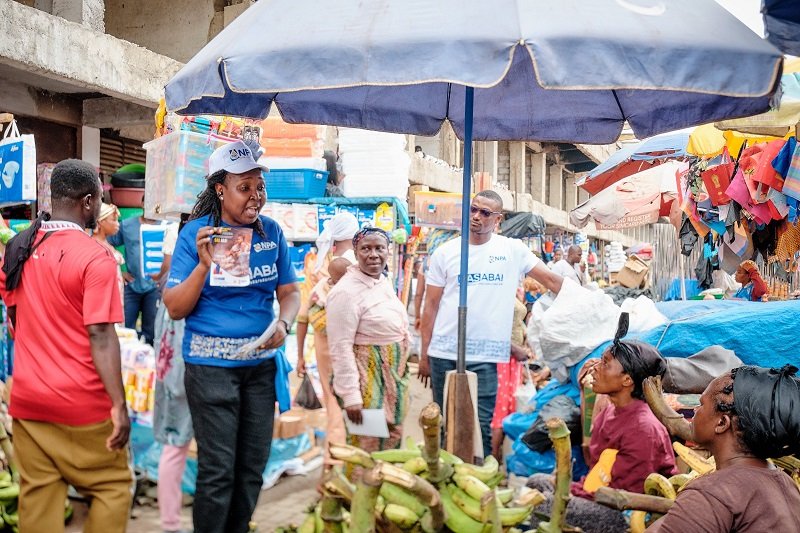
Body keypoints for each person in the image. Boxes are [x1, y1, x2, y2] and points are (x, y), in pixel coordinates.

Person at [163, 140, 300, 533]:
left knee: (252, 468)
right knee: (218, 472)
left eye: (260, 187)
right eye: (245, 187)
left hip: (259, 369)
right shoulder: (196, 235)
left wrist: (284, 324)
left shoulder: (271, 232)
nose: (256, 196)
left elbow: (289, 293)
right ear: (221, 189)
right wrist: (203, 266)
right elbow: (175, 307)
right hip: (210, 371)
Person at [0, 159, 132, 532]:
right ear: (88, 201)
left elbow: (15, 323)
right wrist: (119, 406)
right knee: (112, 489)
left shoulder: (19, 249)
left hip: (28, 402)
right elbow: (101, 335)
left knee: (39, 502)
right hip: (82, 407)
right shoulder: (96, 257)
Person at [419, 190, 564, 457]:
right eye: (473, 210)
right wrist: (424, 355)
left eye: (485, 213)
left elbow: (553, 282)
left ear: (498, 219)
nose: (476, 217)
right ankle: (442, 484)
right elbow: (430, 307)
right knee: (444, 422)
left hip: (486, 356)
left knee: (481, 426)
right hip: (444, 353)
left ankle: (481, 484)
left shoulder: (512, 250)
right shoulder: (446, 252)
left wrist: (589, 305)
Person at [527, 313, 677, 533]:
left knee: (545, 503)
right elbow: (600, 474)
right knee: (537, 483)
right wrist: (570, 486)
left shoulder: (643, 428)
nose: (596, 368)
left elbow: (624, 493)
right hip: (602, 493)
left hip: (627, 512)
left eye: (605, 364)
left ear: (627, 380)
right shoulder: (609, 413)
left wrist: (571, 493)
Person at [649, 364, 800, 532]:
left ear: (721, 423)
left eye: (701, 404)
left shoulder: (710, 493)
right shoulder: (785, 481)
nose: (694, 410)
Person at [326, 227, 410, 452]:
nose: (373, 254)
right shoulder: (345, 292)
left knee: (391, 442)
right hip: (367, 380)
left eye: (379, 248)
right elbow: (340, 347)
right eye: (366, 249)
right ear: (355, 253)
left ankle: (385, 485)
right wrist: (351, 395)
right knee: (367, 444)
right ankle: (359, 486)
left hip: (391, 376)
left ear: (387, 251)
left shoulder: (381, 281)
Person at [295, 212, 359, 471]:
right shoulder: (363, 262)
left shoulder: (318, 265)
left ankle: (333, 461)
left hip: (324, 342)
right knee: (358, 400)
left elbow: (302, 316)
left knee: (334, 401)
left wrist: (300, 355)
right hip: (356, 341)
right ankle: (353, 458)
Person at [153, 220, 193, 533]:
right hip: (184, 375)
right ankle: (170, 523)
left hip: (173, 375)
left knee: (175, 448)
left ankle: (170, 522)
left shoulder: (171, 279)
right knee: (177, 448)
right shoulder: (187, 282)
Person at [108, 199, 162, 345]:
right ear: (142, 203)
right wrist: (120, 271)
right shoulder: (127, 225)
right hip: (131, 286)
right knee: (126, 330)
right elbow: (104, 243)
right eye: (148, 202)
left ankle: (148, 365)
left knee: (151, 333)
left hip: (154, 288)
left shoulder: (164, 227)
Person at [490, 286, 530, 460]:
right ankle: (492, 456)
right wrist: (515, 348)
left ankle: (498, 456)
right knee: (500, 407)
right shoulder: (496, 287)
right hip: (504, 356)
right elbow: (492, 325)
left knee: (509, 406)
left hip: (513, 358)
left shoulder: (514, 280)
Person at [92, 202, 125, 310]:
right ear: (100, 222)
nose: (118, 224)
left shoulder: (107, 244)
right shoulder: (93, 246)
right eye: (113, 220)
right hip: (104, 300)